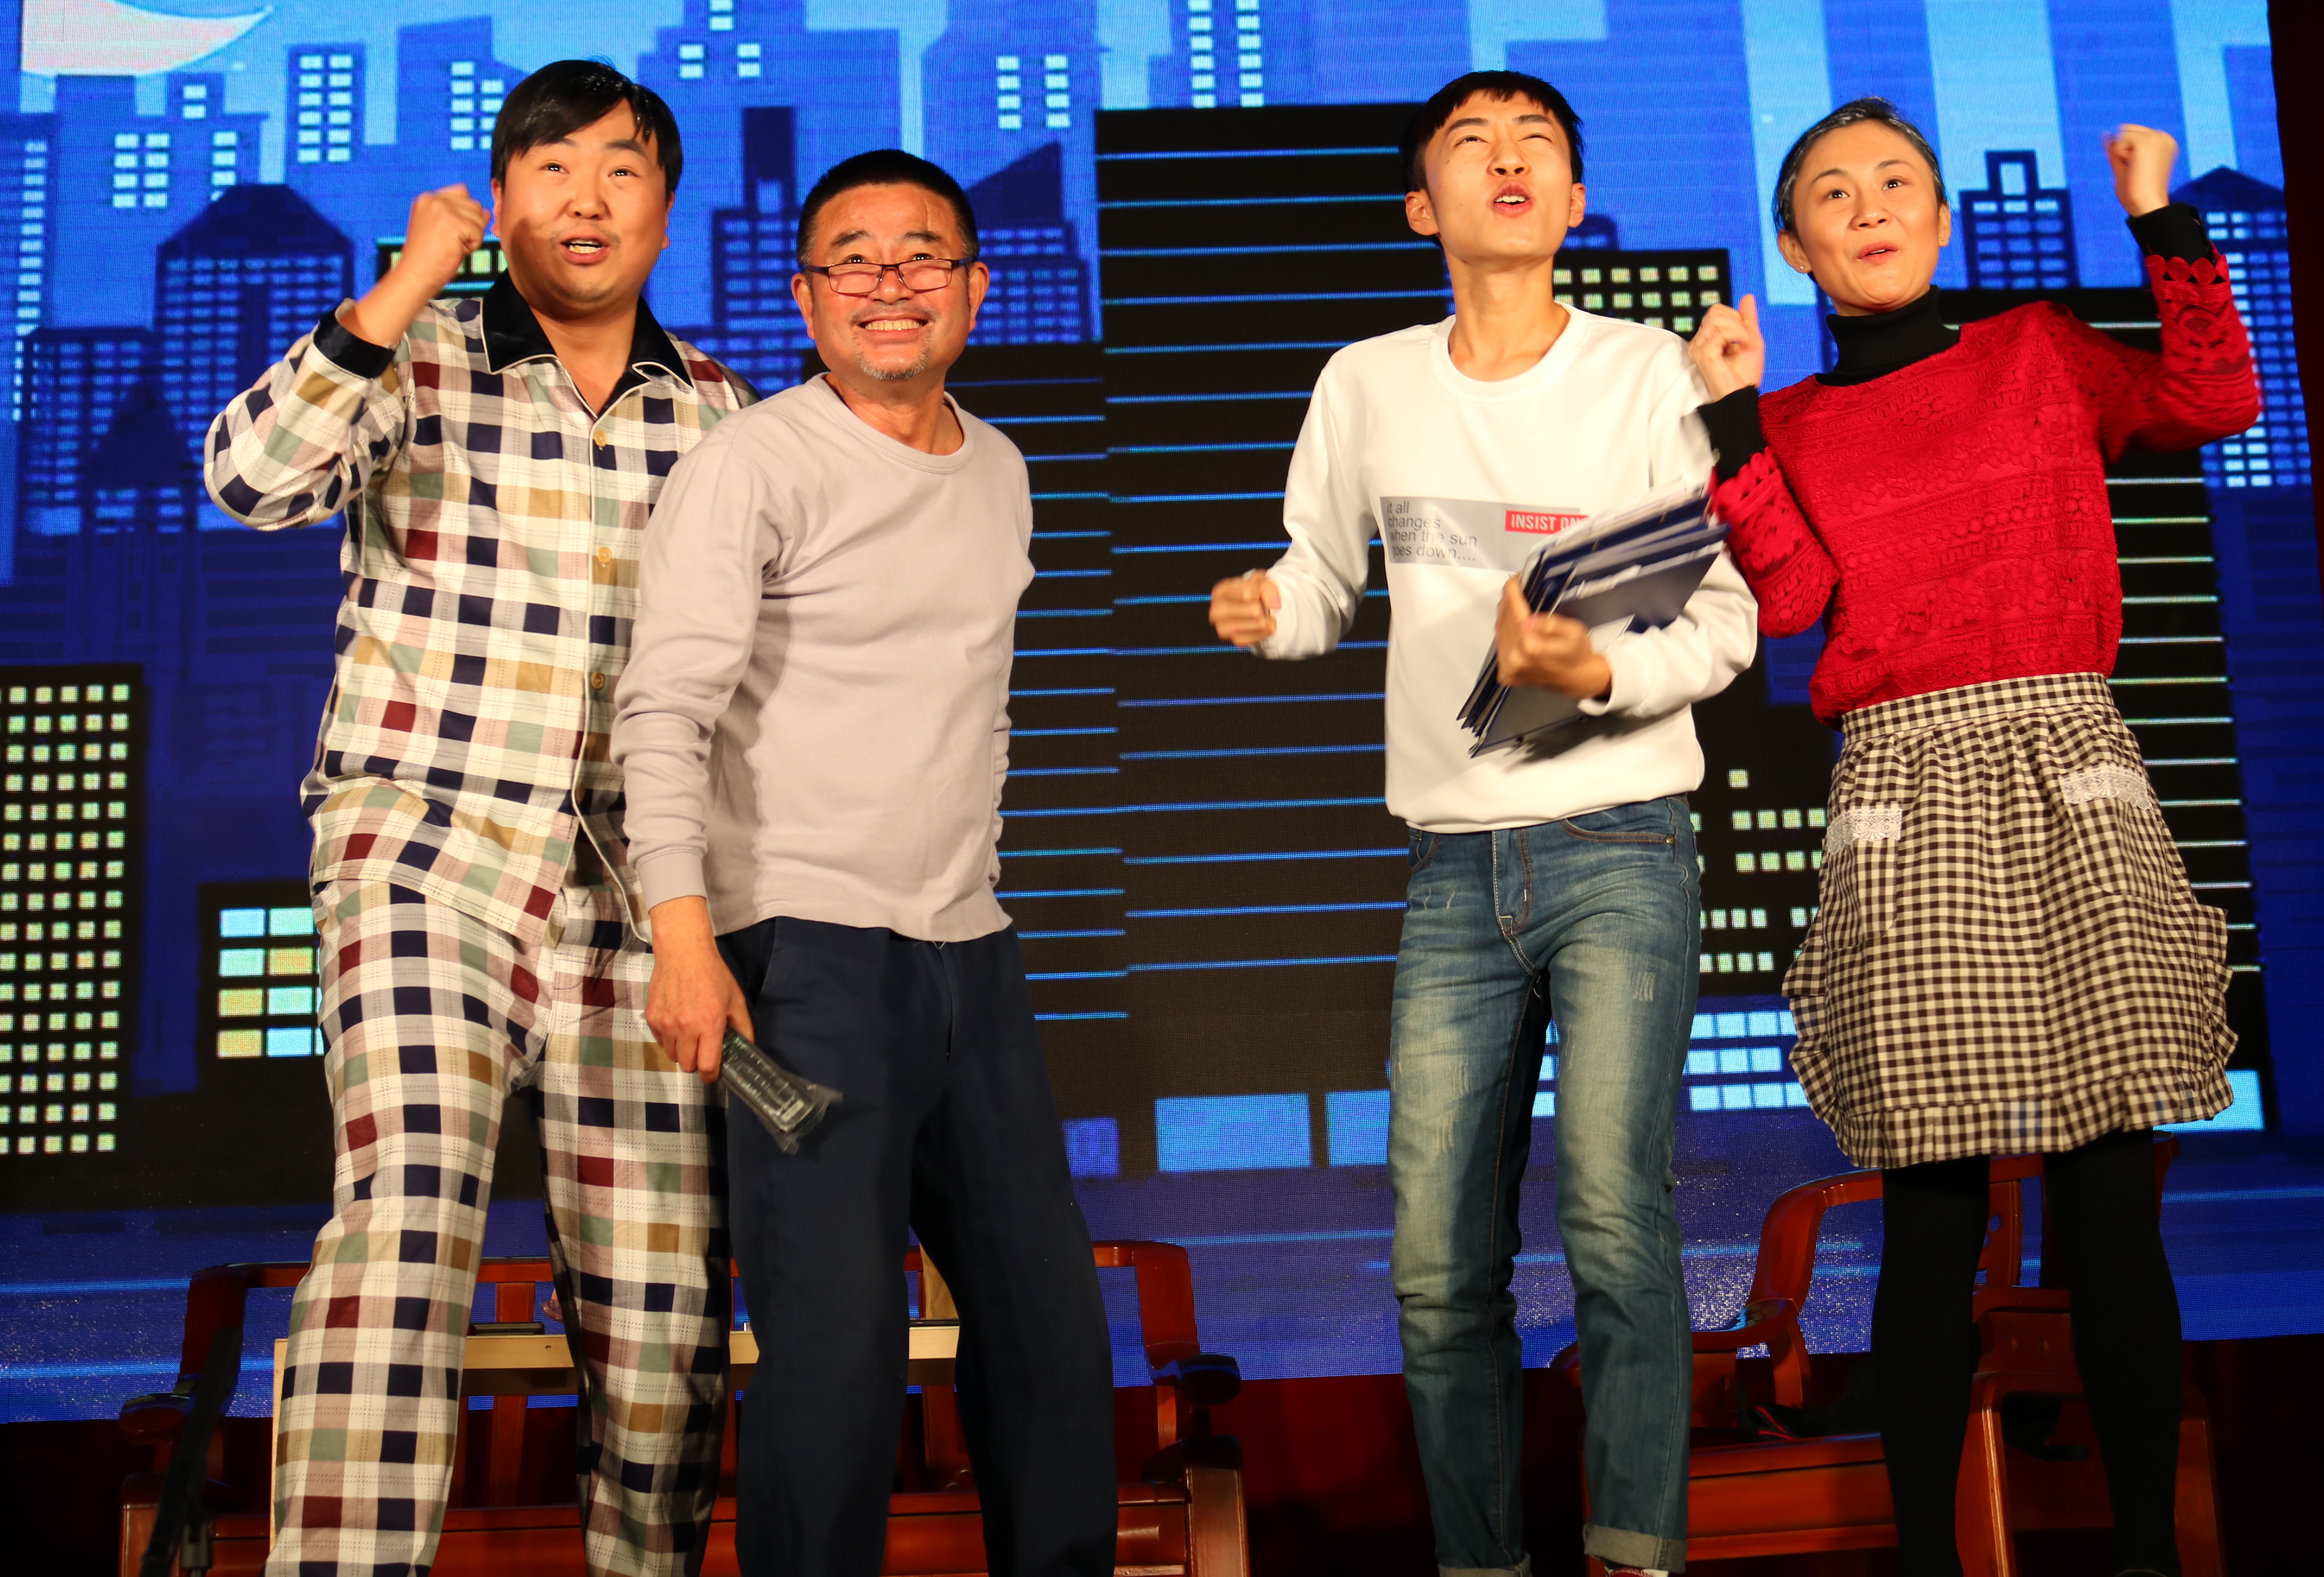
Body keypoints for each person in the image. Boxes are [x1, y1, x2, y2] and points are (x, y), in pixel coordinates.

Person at [1686, 100, 2255, 1577]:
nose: (1870, 207)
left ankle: (2145, 1554)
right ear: (1796, 245)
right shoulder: (1793, 422)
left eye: (1898, 184)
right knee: (1933, 1205)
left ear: (1942, 222)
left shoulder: (2036, 349)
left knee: (2108, 1186)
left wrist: (2160, 217)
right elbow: (1792, 602)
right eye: (1833, 192)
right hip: (1905, 776)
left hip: (2067, 757)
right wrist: (1732, 417)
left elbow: (2212, 400)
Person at [204, 61, 755, 1577]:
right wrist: (399, 289)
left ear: (665, 208)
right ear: (500, 200)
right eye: (552, 168)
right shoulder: (416, 356)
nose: (587, 198)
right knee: (406, 1214)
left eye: (622, 169)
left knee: (663, 1318)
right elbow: (248, 480)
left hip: (637, 900)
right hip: (424, 852)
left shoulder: (723, 414)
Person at [1207, 71, 1756, 1577]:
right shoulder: (1366, 380)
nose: (1506, 162)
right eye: (1472, 144)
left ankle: (1633, 1553)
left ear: (1574, 200)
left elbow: (1724, 620)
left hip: (1621, 836)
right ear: (1420, 205)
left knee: (1614, 1220)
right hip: (1452, 866)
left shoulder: (1645, 372)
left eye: (1537, 146)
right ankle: (1481, 1561)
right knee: (1438, 1260)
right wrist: (1271, 611)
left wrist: (1596, 668)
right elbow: (1320, 579)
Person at [613, 148, 1117, 1577]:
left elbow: (972, 706)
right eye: (853, 259)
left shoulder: (1002, 467)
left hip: (971, 947)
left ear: (974, 286)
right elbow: (664, 709)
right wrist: (684, 934)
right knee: (836, 1352)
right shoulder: (751, 462)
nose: (889, 284)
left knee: (1049, 1334)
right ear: (806, 295)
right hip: (803, 954)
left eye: (921, 257)